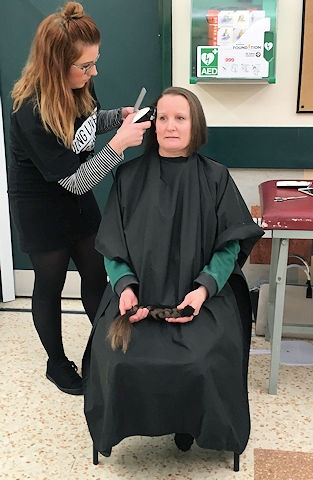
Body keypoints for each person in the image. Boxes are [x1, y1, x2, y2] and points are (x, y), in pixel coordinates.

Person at [82, 87, 264, 458]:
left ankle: (191, 426)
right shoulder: (128, 177)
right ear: (151, 125)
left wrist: (202, 290)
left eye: (180, 118)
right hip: (140, 297)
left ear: (195, 124)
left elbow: (229, 246)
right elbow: (113, 246)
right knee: (119, 360)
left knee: (198, 361)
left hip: (200, 298)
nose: (170, 126)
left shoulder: (215, 178)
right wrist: (125, 289)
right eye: (162, 118)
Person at [8, 2, 151, 396]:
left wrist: (116, 117)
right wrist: (119, 145)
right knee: (49, 283)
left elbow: (85, 124)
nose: (93, 72)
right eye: (85, 66)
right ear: (56, 66)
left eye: (94, 63)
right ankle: (57, 363)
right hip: (43, 208)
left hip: (77, 198)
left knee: (95, 274)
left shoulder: (79, 84)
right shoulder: (28, 111)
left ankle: (110, 344)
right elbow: (76, 180)